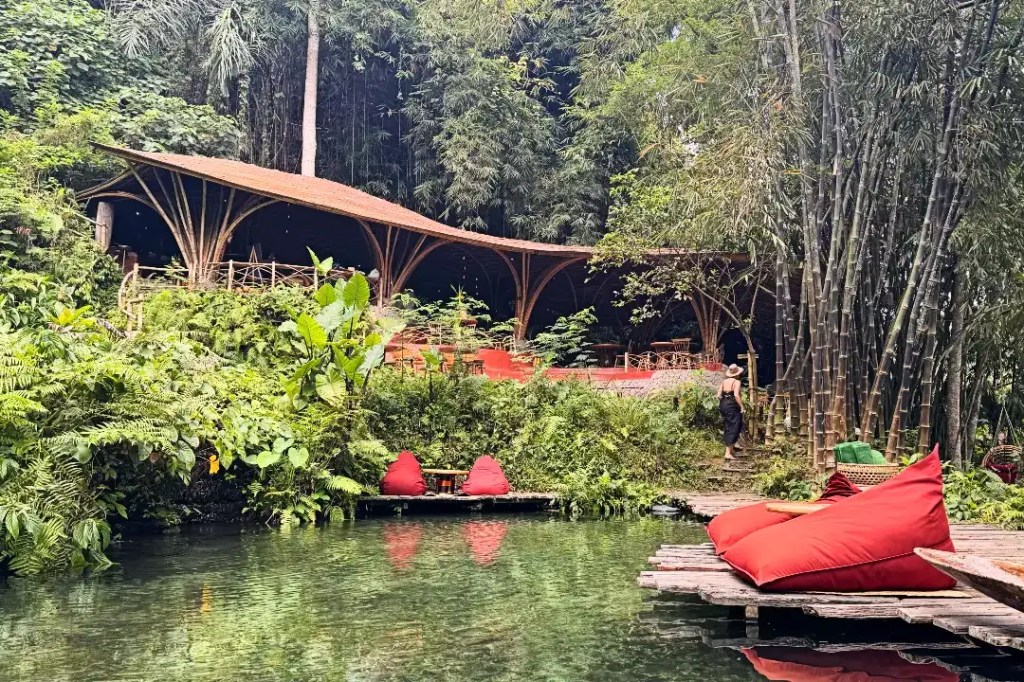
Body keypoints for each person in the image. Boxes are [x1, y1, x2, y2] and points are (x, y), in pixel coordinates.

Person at [717, 364, 745, 461]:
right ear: (737, 374)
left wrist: (725, 401)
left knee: (732, 425)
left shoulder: (724, 382)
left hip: (723, 405)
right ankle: (728, 453)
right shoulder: (736, 382)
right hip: (732, 406)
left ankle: (733, 446)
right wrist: (742, 407)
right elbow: (736, 395)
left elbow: (718, 395)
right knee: (732, 427)